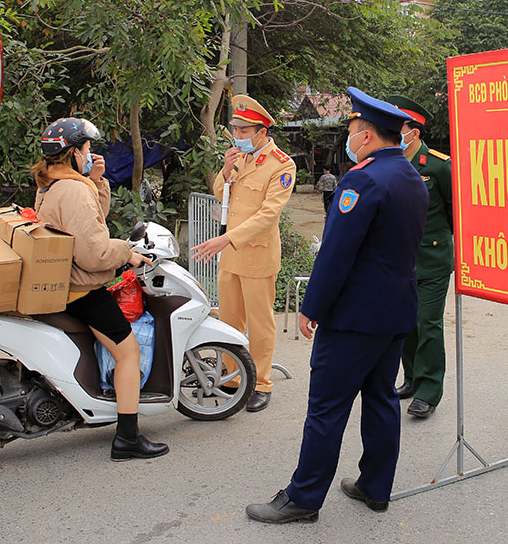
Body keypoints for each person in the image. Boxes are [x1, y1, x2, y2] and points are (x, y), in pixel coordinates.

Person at [245, 87, 428, 524]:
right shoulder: (410, 177)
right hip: (395, 311)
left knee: (326, 408)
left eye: (352, 130)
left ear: (365, 136)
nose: (349, 138)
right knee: (382, 398)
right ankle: (375, 486)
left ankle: (303, 498)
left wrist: (311, 308)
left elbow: (335, 253)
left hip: (354, 317)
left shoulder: (362, 180)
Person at [32, 117, 167, 461]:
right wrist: (128, 254)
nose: (91, 153)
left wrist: (97, 182)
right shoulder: (73, 190)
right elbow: (94, 253)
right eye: (88, 149)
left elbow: (91, 224)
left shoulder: (51, 185)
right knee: (128, 353)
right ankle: (127, 437)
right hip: (81, 290)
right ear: (74, 153)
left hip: (61, 284)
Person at [190, 94, 295, 413]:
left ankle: (261, 382)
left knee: (260, 324)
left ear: (262, 132)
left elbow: (268, 215)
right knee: (229, 320)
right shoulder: (240, 158)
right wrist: (225, 169)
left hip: (257, 255)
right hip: (231, 256)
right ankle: (233, 377)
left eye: (244, 132)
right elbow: (221, 193)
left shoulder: (282, 164)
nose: (237, 137)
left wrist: (225, 240)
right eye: (235, 130)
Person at [386, 94, 453, 420]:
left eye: (398, 126)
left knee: (428, 324)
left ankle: (428, 391)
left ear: (415, 131)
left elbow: (456, 214)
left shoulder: (439, 165)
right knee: (406, 324)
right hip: (398, 260)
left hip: (432, 259)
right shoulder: (390, 162)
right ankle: (411, 377)